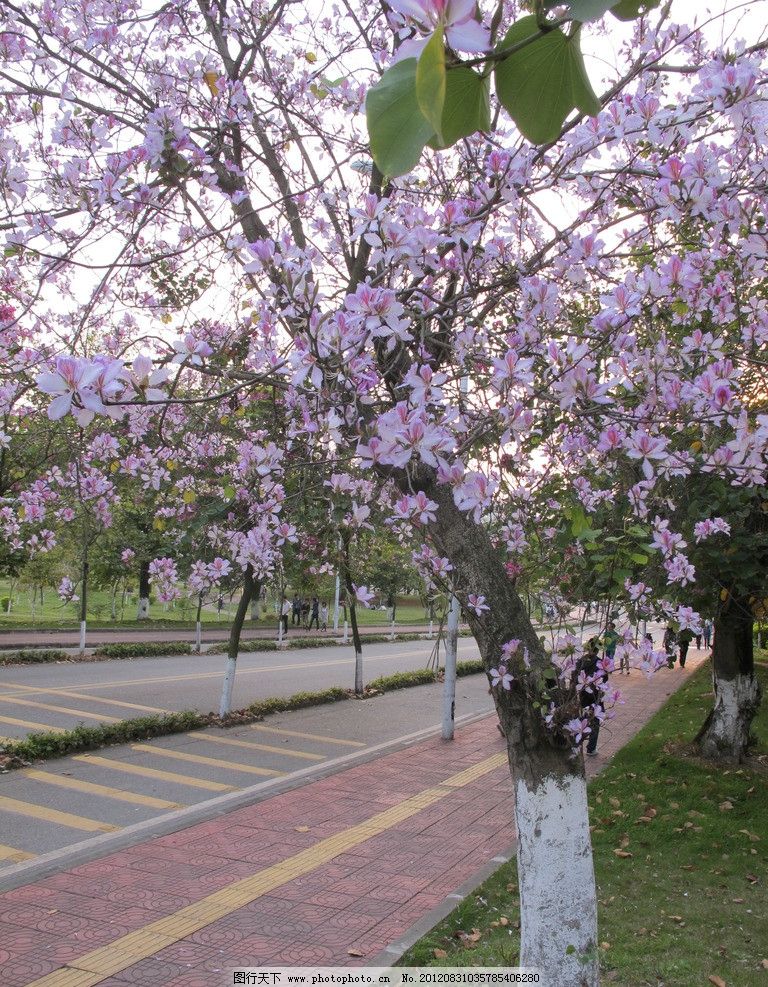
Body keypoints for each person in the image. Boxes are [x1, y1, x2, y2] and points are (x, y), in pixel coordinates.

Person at [577, 637, 606, 756]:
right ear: (598, 650)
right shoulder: (600, 662)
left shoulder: (581, 661)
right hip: (595, 694)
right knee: (595, 720)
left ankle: (577, 745)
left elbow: (575, 677)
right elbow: (605, 678)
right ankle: (591, 748)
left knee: (582, 718)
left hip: (583, 694)